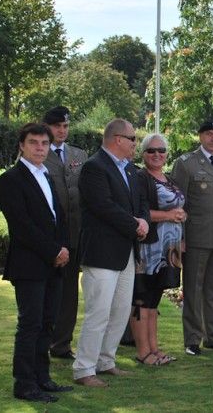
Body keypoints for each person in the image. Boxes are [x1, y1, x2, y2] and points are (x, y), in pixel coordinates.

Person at [0, 123, 72, 402]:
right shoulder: (11, 179)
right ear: (22, 145)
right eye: (34, 143)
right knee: (30, 324)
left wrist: (63, 247)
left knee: (48, 322)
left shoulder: (48, 175)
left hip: (54, 263)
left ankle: (43, 377)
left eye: (44, 143)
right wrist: (53, 250)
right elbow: (22, 226)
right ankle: (24, 384)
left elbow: (58, 217)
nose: (40, 148)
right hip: (29, 264)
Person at [73, 119, 150, 387]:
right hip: (102, 252)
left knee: (119, 312)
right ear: (118, 139)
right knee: (99, 312)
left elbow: (140, 203)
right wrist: (135, 225)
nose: (134, 144)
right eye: (132, 139)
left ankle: (106, 361)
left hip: (126, 251)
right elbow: (102, 206)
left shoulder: (130, 170)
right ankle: (84, 369)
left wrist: (144, 221)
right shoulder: (94, 168)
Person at [172, 117, 213, 355]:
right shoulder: (186, 164)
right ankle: (192, 339)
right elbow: (178, 204)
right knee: (193, 288)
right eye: (210, 134)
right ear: (201, 136)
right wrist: (180, 237)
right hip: (195, 236)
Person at [131, 133, 185, 364]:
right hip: (148, 249)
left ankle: (155, 348)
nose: (156, 155)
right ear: (143, 154)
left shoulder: (169, 179)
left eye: (161, 150)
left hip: (169, 249)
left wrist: (181, 215)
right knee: (142, 300)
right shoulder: (140, 178)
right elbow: (137, 212)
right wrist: (169, 215)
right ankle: (143, 352)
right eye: (151, 151)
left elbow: (178, 207)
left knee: (154, 300)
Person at [42, 106, 88, 361]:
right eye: (58, 125)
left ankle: (61, 344)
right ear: (47, 126)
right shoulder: (37, 153)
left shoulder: (78, 154)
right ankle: (43, 343)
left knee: (69, 293)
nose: (62, 130)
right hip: (50, 238)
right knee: (48, 293)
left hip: (76, 235)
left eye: (66, 126)